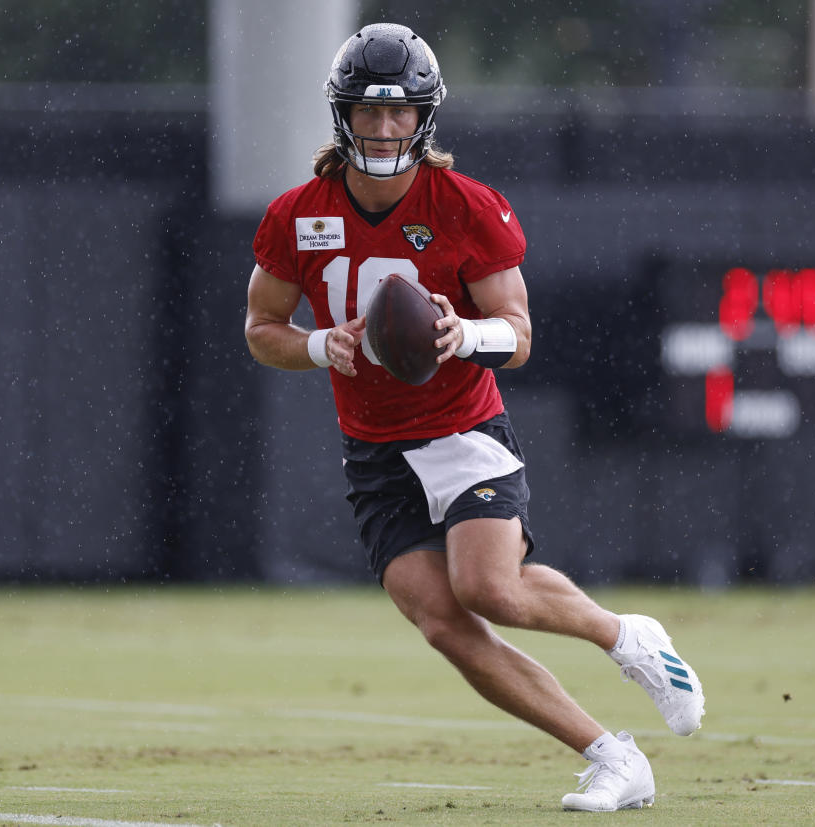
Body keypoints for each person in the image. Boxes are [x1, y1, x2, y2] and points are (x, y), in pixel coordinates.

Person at [243, 22, 705, 812]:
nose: (384, 128)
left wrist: (464, 334)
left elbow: (520, 334)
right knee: (443, 623)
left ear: (424, 116)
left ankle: (626, 637)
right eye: (368, 112)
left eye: (399, 113)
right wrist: (324, 346)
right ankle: (612, 756)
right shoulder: (297, 215)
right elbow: (262, 332)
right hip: (376, 450)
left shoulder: (465, 205)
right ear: (342, 114)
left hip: (461, 431)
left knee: (490, 588)